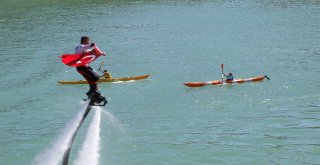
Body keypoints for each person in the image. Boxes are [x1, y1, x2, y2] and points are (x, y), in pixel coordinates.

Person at [75, 36, 105, 100]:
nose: (89, 42)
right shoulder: (80, 46)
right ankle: (94, 92)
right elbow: (88, 47)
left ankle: (94, 94)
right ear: (85, 40)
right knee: (95, 77)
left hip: (80, 68)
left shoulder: (82, 48)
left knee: (91, 80)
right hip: (82, 66)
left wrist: (101, 53)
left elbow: (90, 51)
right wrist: (92, 45)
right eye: (88, 41)